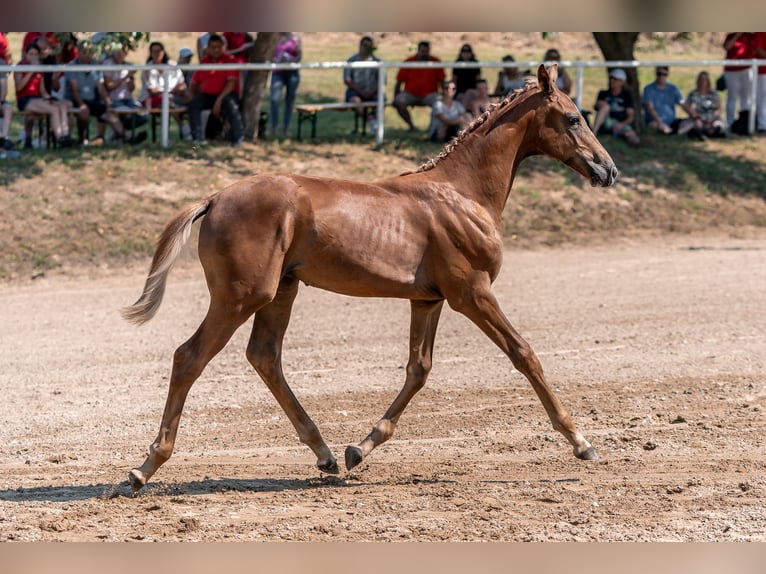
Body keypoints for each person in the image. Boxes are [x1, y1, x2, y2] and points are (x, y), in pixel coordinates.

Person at [65, 39, 142, 146]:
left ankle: (129, 137)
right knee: (83, 113)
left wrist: (107, 102)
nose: (87, 54)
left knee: (109, 114)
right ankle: (81, 139)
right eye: (84, 51)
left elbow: (100, 87)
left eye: (90, 52)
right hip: (75, 99)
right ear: (79, 52)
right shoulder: (72, 66)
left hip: (92, 100)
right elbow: (73, 89)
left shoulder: (95, 66)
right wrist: (82, 104)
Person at [14, 42, 74, 148]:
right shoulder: (20, 67)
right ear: (25, 54)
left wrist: (49, 98)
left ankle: (66, 135)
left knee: (62, 106)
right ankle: (60, 137)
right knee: (53, 109)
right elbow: (19, 87)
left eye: (36, 54)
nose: (33, 57)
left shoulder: (39, 68)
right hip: (25, 99)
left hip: (38, 98)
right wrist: (31, 71)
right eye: (31, 54)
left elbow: (42, 91)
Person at [188, 33, 244, 146]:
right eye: (212, 47)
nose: (215, 50)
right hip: (208, 95)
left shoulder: (230, 60)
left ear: (223, 47)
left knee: (231, 105)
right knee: (194, 104)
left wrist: (219, 100)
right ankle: (198, 138)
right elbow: (194, 82)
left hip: (226, 95)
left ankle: (237, 139)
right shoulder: (204, 62)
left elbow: (231, 82)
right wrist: (191, 95)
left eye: (218, 47)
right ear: (208, 48)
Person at [139, 41, 189, 138]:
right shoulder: (147, 69)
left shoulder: (173, 66)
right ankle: (182, 127)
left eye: (159, 51)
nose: (157, 54)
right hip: (151, 100)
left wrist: (177, 90)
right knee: (165, 100)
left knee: (187, 99)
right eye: (154, 51)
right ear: (150, 53)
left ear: (163, 52)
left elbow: (182, 84)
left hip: (172, 98)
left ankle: (196, 131)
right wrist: (170, 91)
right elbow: (152, 92)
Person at [393, 40, 445, 131]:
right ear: (418, 50)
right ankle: (412, 126)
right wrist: (395, 96)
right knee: (399, 101)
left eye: (426, 51)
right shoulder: (408, 62)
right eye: (422, 51)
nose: (424, 54)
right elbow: (399, 81)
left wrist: (445, 96)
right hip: (410, 94)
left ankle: (432, 129)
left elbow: (442, 81)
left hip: (430, 94)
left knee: (439, 103)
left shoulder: (435, 62)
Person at [103, 44, 149, 137]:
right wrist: (126, 76)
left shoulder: (128, 65)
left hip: (128, 100)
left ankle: (121, 134)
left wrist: (131, 78)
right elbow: (109, 86)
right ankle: (125, 136)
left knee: (144, 115)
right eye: (118, 52)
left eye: (122, 53)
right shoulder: (108, 64)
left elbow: (131, 89)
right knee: (124, 113)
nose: (120, 55)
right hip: (114, 100)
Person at [591, 68, 640, 146]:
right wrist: (601, 105)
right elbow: (597, 106)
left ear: (622, 82)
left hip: (619, 123)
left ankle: (637, 144)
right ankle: (593, 134)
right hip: (605, 122)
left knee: (630, 133)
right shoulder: (603, 94)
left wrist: (621, 124)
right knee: (606, 107)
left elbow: (631, 116)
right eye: (611, 78)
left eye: (615, 79)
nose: (612, 81)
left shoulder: (626, 96)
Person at [642, 66, 694, 134]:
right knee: (653, 125)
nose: (662, 77)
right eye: (659, 74)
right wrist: (660, 123)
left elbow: (682, 103)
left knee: (691, 122)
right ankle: (670, 131)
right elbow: (650, 108)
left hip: (672, 121)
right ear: (656, 74)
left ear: (667, 75)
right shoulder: (648, 89)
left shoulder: (673, 88)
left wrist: (694, 115)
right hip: (655, 121)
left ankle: (675, 132)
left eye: (664, 74)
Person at [343, 35, 380, 131]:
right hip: (355, 92)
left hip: (372, 92)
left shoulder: (377, 62)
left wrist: (371, 92)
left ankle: (376, 126)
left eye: (369, 47)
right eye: (365, 46)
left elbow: (381, 80)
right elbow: (347, 80)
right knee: (355, 101)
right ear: (360, 46)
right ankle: (371, 121)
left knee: (381, 100)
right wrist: (361, 92)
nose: (367, 49)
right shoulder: (351, 61)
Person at [270, 32, 302, 138]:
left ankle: (286, 129)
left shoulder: (295, 38)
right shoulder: (274, 38)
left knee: (290, 100)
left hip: (291, 73)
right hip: (277, 72)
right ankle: (273, 128)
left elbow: (299, 57)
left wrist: (297, 51)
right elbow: (270, 55)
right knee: (275, 99)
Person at [723, 33, 754, 132]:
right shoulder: (731, 35)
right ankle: (730, 122)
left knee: (746, 97)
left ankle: (745, 123)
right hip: (731, 70)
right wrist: (736, 35)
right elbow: (727, 47)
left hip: (746, 69)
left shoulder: (750, 36)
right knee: (732, 96)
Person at [681, 71, 725, 139]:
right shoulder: (693, 94)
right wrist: (695, 115)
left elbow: (719, 108)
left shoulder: (713, 94)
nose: (703, 82)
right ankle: (699, 133)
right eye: (701, 79)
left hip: (712, 118)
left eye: (705, 79)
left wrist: (713, 117)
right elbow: (687, 106)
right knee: (698, 124)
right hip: (698, 118)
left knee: (718, 124)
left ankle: (715, 132)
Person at [0, 32, 15, 150]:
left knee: (8, 108)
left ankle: (4, 138)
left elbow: (4, 88)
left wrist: (0, 102)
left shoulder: (1, 64)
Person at [753, 32, 766, 132]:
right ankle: (762, 125)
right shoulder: (761, 33)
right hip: (762, 71)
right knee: (762, 99)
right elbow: (758, 50)